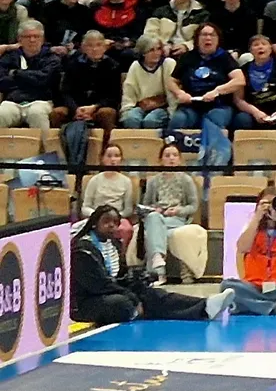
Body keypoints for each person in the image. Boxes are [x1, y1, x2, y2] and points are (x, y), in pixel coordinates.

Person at [72, 206, 234, 324]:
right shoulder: (83, 249)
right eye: (106, 221)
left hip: (109, 291)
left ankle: (205, 306)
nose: (112, 226)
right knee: (122, 303)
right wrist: (132, 296)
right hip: (87, 301)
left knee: (152, 294)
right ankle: (140, 308)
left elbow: (118, 277)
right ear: (94, 223)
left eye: (115, 222)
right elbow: (99, 285)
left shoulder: (113, 244)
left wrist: (136, 280)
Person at [221, 187, 276, 315]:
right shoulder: (252, 224)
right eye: (265, 204)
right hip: (254, 285)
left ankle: (252, 305)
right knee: (227, 286)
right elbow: (242, 248)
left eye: (273, 204)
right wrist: (256, 218)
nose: (270, 209)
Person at [141, 139, 202, 284]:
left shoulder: (186, 180)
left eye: (174, 155)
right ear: (161, 160)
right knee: (153, 218)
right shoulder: (153, 181)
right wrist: (155, 209)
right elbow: (145, 205)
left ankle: (158, 272)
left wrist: (178, 210)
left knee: (154, 232)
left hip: (176, 219)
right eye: (167, 155)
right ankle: (158, 260)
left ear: (180, 159)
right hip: (157, 217)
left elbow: (193, 206)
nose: (171, 158)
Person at [165, 22, 245, 130]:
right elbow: (171, 81)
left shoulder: (225, 58)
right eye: (204, 35)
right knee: (178, 120)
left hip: (218, 105)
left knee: (212, 121)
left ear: (218, 39)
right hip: (191, 104)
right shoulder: (187, 57)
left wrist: (217, 91)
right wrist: (179, 93)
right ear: (197, 39)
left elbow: (239, 80)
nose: (208, 38)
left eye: (212, 35)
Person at [233, 34, 276, 130]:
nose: (260, 47)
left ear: (270, 48)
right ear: (250, 50)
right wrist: (256, 112)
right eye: (256, 45)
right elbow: (238, 99)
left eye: (264, 44)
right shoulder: (243, 70)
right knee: (241, 119)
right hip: (255, 111)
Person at [81, 143, 135, 248]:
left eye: (117, 156)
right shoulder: (94, 180)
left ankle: (119, 256)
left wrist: (115, 217)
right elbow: (85, 207)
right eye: (109, 156)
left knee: (126, 229)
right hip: (96, 218)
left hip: (118, 218)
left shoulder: (126, 181)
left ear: (121, 159)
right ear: (102, 159)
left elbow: (128, 210)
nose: (113, 159)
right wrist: (97, 216)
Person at [119, 35, 175, 129]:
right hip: (141, 105)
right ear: (143, 53)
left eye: (158, 49)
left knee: (151, 121)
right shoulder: (135, 66)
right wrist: (127, 110)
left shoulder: (168, 64)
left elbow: (173, 94)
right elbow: (129, 92)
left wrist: (172, 113)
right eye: (151, 50)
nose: (156, 53)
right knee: (131, 119)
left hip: (163, 106)